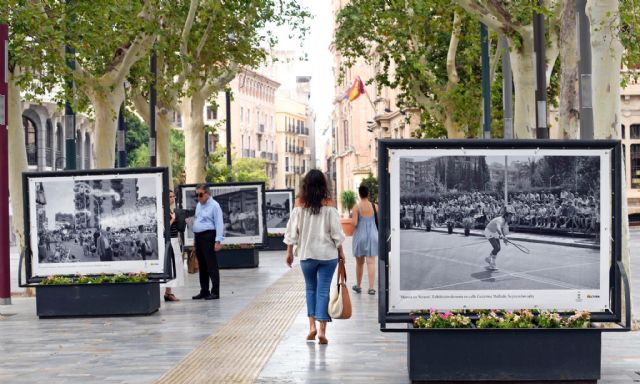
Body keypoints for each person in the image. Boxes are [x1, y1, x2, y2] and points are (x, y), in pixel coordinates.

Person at [284, 169, 345, 345]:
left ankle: (311, 326)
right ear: (323, 185)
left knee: (311, 289)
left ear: (306, 185)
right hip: (328, 255)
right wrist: (341, 253)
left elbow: (292, 232)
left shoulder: (299, 204)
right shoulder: (330, 204)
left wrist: (289, 253)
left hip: (307, 254)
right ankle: (322, 330)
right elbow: (336, 234)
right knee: (323, 290)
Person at [192, 184, 225, 300]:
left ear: (207, 194)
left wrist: (218, 240)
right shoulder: (198, 205)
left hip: (208, 236)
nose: (198, 197)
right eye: (196, 195)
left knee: (211, 265)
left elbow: (219, 223)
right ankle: (204, 290)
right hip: (198, 237)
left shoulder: (215, 206)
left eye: (200, 194)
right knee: (202, 265)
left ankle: (215, 292)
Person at [351, 185, 378, 295]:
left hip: (360, 236)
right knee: (371, 262)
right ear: (368, 193)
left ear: (359, 194)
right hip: (373, 235)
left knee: (360, 263)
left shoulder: (356, 207)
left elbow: (355, 223)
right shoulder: (375, 206)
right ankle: (371, 288)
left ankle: (358, 286)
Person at [163, 190, 187, 302]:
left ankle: (168, 292)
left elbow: (178, 228)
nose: (172, 199)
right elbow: (164, 228)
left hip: (174, 240)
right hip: (168, 241)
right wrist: (172, 219)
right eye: (170, 197)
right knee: (171, 266)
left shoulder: (172, 210)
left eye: (173, 196)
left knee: (175, 266)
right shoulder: (163, 210)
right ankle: (168, 293)